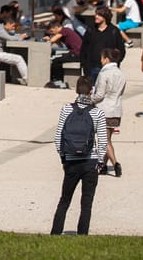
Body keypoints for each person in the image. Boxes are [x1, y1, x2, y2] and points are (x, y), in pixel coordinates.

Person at [49, 76, 109, 235]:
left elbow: (58, 137)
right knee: (86, 202)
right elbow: (103, 141)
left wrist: (64, 157)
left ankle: (55, 233)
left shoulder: (66, 109)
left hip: (71, 162)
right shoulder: (98, 113)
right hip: (90, 161)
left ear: (76, 91)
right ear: (91, 92)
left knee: (64, 200)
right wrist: (100, 162)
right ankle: (82, 234)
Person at [89, 48, 125, 177]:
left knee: (104, 141)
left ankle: (115, 163)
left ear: (106, 59)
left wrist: (89, 100)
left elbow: (99, 94)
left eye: (102, 58)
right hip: (116, 110)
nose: (100, 60)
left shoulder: (104, 74)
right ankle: (103, 166)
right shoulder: (120, 73)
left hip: (104, 110)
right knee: (107, 139)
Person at [79, 6, 127, 85]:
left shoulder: (114, 31)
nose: (96, 17)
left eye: (99, 15)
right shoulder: (90, 30)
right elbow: (84, 48)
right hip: (92, 68)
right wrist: (84, 63)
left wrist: (116, 63)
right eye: (96, 14)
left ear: (105, 17)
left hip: (109, 68)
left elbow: (121, 50)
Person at [0, 16, 29, 85]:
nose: (13, 28)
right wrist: (20, 37)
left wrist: (19, 36)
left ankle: (24, 78)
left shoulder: (2, 29)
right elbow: (10, 38)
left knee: (17, 58)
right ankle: (27, 79)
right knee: (19, 59)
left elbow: (12, 36)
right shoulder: (0, 30)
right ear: (8, 24)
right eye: (13, 26)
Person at [44, 20, 83, 89]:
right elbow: (59, 44)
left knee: (55, 60)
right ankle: (57, 79)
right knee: (56, 58)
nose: (52, 33)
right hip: (75, 53)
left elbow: (52, 41)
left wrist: (48, 39)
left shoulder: (64, 30)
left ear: (56, 27)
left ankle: (58, 80)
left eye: (52, 31)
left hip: (77, 54)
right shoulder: (63, 33)